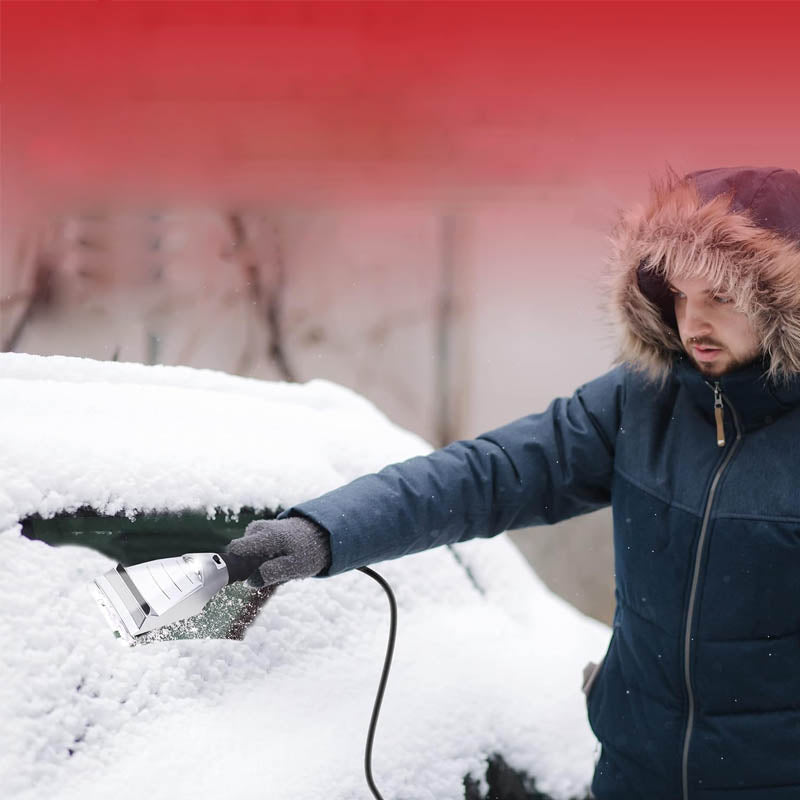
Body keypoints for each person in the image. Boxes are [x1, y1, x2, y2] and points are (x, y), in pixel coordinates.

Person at [226, 166, 800, 800]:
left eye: (719, 297)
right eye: (681, 297)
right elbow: (485, 475)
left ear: (783, 304)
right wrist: (322, 532)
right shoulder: (640, 402)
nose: (692, 323)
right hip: (632, 776)